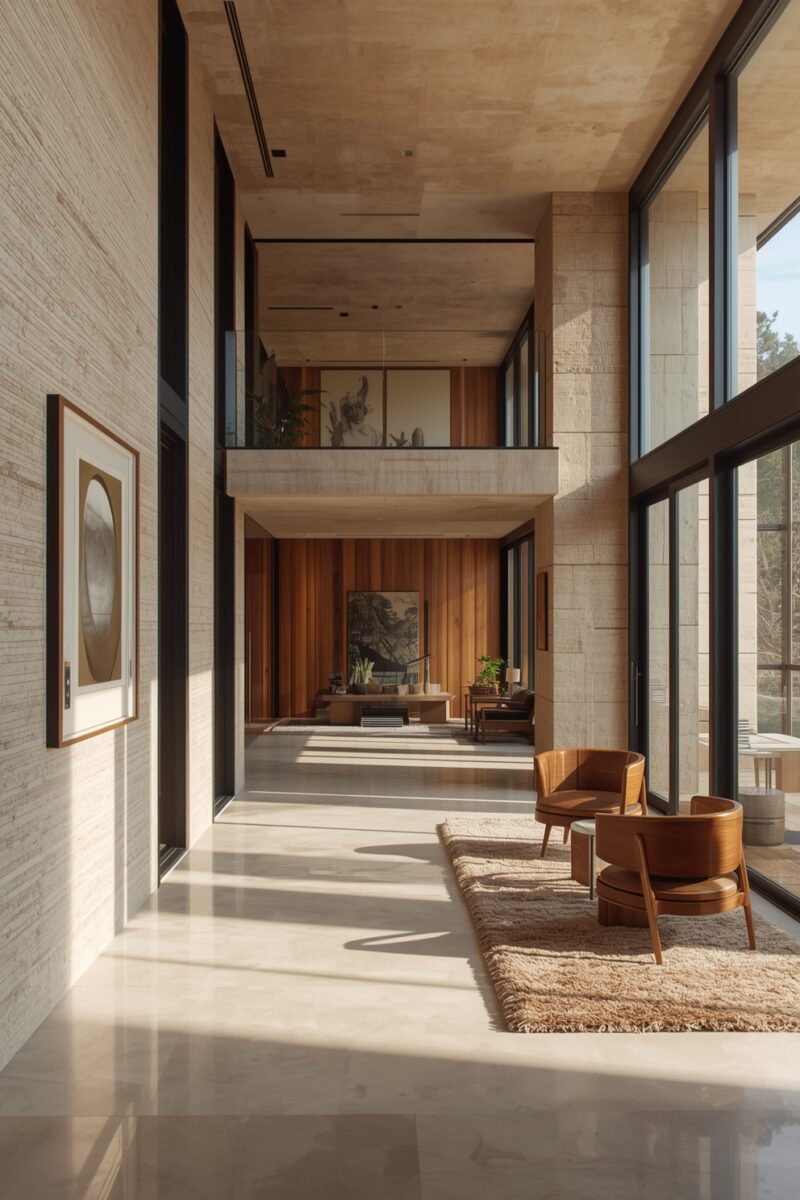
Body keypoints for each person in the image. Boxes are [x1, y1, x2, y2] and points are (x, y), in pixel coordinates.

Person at [327, 375, 381, 446]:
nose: (355, 410)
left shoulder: (374, 434)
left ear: (364, 410)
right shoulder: (340, 431)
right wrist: (336, 432)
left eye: (358, 406)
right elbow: (335, 452)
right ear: (345, 413)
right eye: (350, 409)